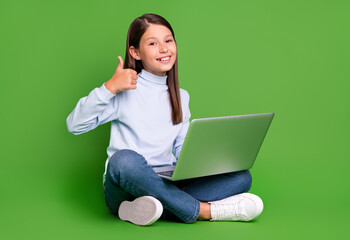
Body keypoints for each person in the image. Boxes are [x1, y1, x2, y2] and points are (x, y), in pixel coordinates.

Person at [66, 13, 263, 226]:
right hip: (124, 185)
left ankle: (150, 208)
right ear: (136, 52)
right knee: (123, 160)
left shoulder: (181, 96)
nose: (164, 48)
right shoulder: (124, 90)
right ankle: (204, 211)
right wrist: (109, 87)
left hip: (165, 180)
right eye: (153, 43)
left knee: (241, 176)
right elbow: (74, 125)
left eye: (168, 40)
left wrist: (207, 162)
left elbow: (181, 149)